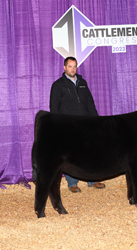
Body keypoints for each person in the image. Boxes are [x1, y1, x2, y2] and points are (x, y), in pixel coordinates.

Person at [50, 56, 106, 193]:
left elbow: (90, 103)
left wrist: (96, 120)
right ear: (64, 68)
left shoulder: (82, 83)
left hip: (86, 124)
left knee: (88, 153)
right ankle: (72, 183)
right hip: (68, 126)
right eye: (70, 66)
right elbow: (54, 107)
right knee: (70, 155)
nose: (73, 69)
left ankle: (91, 180)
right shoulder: (58, 85)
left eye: (74, 66)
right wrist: (58, 125)